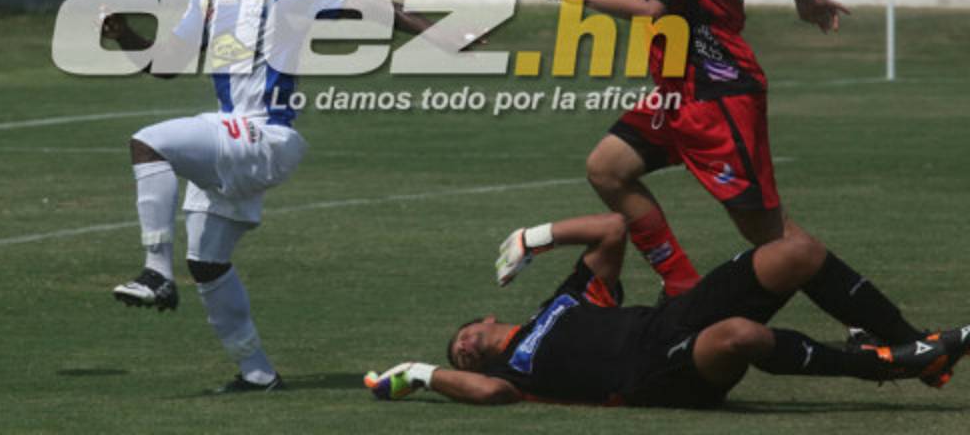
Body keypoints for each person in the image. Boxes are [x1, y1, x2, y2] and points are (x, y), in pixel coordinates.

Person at [538, 0, 939, 377]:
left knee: (774, 241)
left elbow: (652, 8)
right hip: (680, 92)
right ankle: (680, 283)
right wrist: (805, 1)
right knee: (608, 168)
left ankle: (902, 339)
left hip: (717, 98)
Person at [103, 0, 435, 393]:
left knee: (148, 142)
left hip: (262, 136)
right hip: (231, 133)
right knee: (208, 263)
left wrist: (444, 37)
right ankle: (257, 374)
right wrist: (126, 36)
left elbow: (376, 7)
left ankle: (154, 273)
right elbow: (168, 66)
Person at [364, 213, 969, 407]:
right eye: (460, 354)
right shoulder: (507, 376)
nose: (464, 345)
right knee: (739, 335)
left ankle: (922, 351)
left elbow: (610, 230)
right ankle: (884, 365)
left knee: (796, 251)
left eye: (463, 336)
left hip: (669, 319)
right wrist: (423, 373)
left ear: (486, 318)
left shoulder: (564, 303)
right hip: (652, 375)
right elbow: (487, 396)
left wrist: (534, 238)